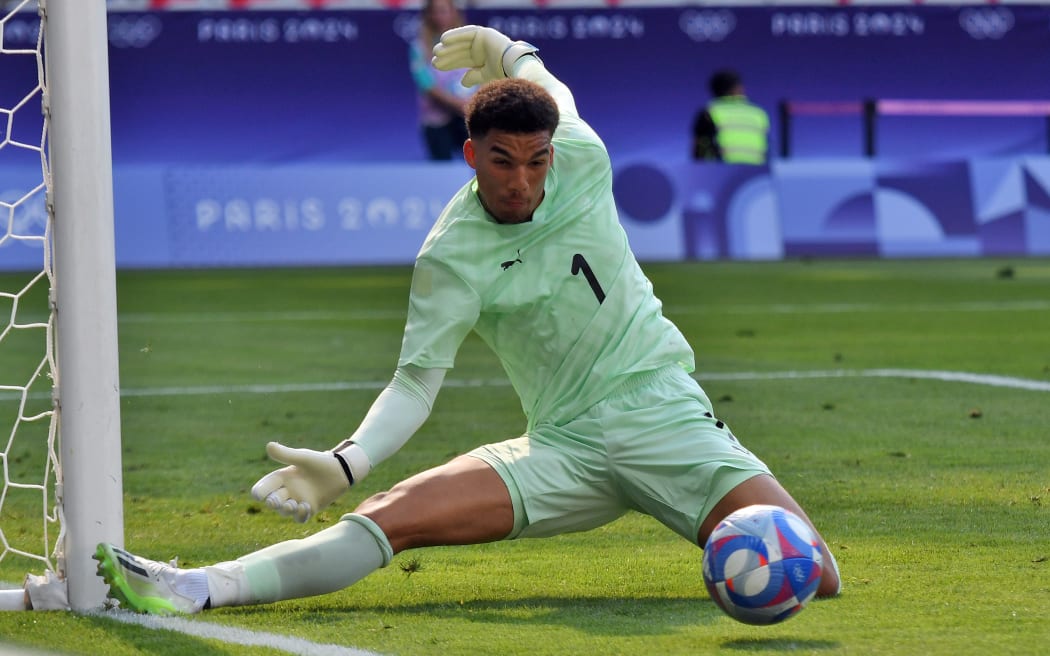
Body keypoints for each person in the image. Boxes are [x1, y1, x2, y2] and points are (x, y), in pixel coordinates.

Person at [94, 25, 840, 616]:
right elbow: (415, 385)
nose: (523, 181)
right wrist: (347, 463)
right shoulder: (450, 257)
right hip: (564, 447)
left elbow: (556, 89)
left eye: (537, 161)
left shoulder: (583, 159)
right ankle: (193, 587)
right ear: (470, 155)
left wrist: (505, 47)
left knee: (817, 572)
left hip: (666, 418)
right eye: (503, 161)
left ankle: (734, 557)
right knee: (394, 515)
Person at [408, 0, 474, 160]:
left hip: (468, 117)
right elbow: (427, 85)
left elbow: (480, 75)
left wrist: (471, 105)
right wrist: (458, 104)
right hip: (436, 120)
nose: (439, 16)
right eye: (435, 12)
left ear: (454, 12)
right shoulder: (419, 47)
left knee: (481, 163)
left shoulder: (470, 43)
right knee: (441, 169)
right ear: (428, 15)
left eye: (443, 11)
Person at [692, 69, 770, 164]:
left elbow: (700, 147)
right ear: (739, 88)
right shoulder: (759, 113)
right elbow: (767, 147)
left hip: (722, 171)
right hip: (756, 172)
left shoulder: (710, 112)